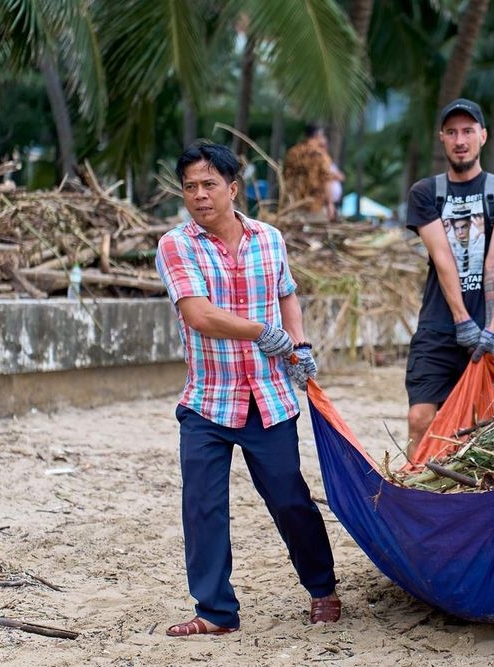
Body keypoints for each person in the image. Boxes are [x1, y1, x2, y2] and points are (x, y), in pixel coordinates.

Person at [155, 140, 340, 637]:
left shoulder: (269, 239)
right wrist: (263, 332)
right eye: (190, 187)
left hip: (269, 397)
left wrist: (298, 346)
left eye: (209, 185)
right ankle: (215, 612)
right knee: (203, 506)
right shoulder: (176, 245)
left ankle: (322, 588)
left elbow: (287, 295)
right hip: (207, 401)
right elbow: (198, 314)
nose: (199, 195)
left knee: (289, 500)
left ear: (232, 188)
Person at [404, 98, 494, 458]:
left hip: (493, 330)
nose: (461, 140)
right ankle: (417, 498)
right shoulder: (425, 193)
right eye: (452, 132)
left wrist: (489, 328)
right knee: (420, 417)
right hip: (439, 327)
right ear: (442, 138)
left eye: (468, 131)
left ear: (483, 136)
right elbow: (442, 258)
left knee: (491, 426)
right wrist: (462, 320)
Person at [282, 124, 337, 220]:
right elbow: (326, 180)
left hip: (293, 204)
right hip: (315, 206)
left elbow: (285, 177)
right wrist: (330, 204)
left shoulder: (292, 153)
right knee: (317, 233)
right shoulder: (321, 155)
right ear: (318, 135)